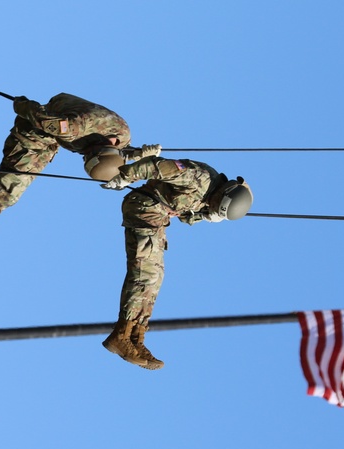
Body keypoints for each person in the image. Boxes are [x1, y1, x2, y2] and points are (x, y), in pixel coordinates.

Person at [0, 93, 161, 275]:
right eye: (87, 154)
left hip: (49, 142)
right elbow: (40, 118)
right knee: (5, 189)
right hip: (35, 131)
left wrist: (138, 154)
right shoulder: (76, 127)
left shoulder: (119, 140)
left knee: (11, 196)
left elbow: (114, 154)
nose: (84, 154)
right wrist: (24, 105)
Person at [99, 156, 253, 370]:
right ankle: (121, 335)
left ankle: (135, 335)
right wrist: (126, 176)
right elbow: (157, 166)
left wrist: (203, 216)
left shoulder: (209, 195)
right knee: (145, 274)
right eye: (216, 206)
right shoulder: (196, 177)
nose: (211, 207)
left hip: (156, 218)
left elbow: (184, 210)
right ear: (223, 194)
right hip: (144, 209)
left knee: (156, 277)